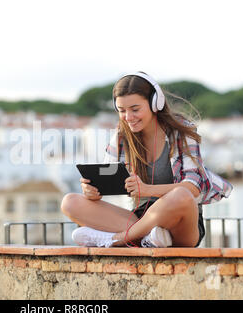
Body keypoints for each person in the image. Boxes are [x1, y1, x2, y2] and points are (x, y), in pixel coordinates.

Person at [61, 71, 233, 248]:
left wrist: (147, 189)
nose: (128, 117)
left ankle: (116, 239)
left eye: (135, 109)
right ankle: (149, 239)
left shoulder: (181, 132)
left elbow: (193, 188)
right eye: (122, 111)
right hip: (141, 218)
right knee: (70, 202)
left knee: (181, 195)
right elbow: (107, 177)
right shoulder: (122, 137)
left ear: (154, 104)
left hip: (181, 223)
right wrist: (92, 191)